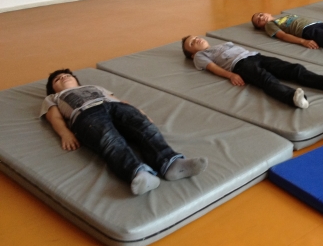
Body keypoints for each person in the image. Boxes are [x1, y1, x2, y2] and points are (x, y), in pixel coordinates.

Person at [41, 69, 208, 195]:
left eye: (67, 75)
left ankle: (171, 163)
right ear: (53, 89)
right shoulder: (53, 98)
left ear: (77, 80)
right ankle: (138, 173)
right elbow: (54, 117)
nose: (63, 77)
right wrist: (65, 133)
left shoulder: (94, 87)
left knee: (145, 129)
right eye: (57, 79)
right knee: (109, 140)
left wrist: (139, 112)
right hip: (85, 115)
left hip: (115, 107)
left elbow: (119, 101)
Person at [182, 36, 323, 109]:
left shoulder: (222, 43)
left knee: (294, 69)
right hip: (240, 66)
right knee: (266, 80)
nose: (196, 40)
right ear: (191, 53)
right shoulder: (199, 56)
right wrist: (231, 75)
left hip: (256, 56)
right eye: (191, 43)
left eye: (196, 37)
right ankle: (293, 98)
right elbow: (213, 68)